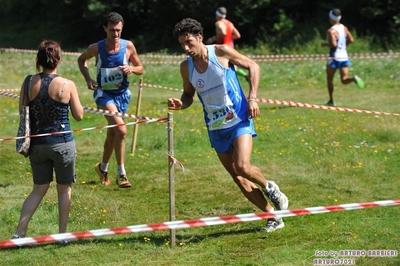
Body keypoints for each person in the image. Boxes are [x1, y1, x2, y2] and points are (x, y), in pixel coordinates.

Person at [169, 18, 289, 232]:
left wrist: (252, 97)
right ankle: (273, 216)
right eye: (182, 44)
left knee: (243, 166)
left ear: (199, 37)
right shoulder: (186, 67)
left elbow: (253, 66)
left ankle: (270, 187)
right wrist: (181, 103)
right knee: (239, 178)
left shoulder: (221, 52)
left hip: (239, 118)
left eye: (189, 42)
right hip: (215, 127)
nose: (186, 48)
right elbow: (188, 95)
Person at [13, 40, 84, 243]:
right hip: (62, 143)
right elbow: (79, 115)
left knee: (38, 190)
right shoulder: (67, 84)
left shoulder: (27, 82)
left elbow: (21, 111)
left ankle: (20, 232)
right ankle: (62, 235)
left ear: (39, 59)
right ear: (58, 59)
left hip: (37, 145)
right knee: (64, 189)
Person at [77, 12, 144, 188]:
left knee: (113, 133)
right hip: (103, 95)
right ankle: (121, 174)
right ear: (105, 28)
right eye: (112, 30)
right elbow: (81, 59)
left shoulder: (128, 46)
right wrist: (88, 79)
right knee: (121, 130)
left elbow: (140, 68)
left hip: (122, 95)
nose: (116, 34)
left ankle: (102, 167)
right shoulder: (96, 48)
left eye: (119, 31)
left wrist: (131, 68)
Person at [321, 8, 365, 106]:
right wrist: (344, 46)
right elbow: (352, 39)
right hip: (344, 56)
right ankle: (353, 79)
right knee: (344, 80)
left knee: (329, 78)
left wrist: (324, 44)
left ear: (331, 18)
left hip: (334, 57)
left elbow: (333, 44)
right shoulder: (344, 27)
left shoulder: (331, 31)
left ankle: (331, 100)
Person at [205, 7, 249, 80]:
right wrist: (229, 39)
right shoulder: (230, 23)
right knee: (233, 67)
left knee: (218, 65)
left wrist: (213, 39)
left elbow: (223, 32)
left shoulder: (218, 23)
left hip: (223, 47)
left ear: (218, 15)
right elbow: (238, 35)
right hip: (231, 46)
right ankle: (246, 76)